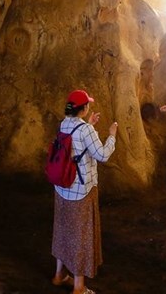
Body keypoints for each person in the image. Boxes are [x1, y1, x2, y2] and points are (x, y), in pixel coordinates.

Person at [51, 89, 118, 294]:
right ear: (84, 108)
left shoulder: (64, 123)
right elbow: (102, 155)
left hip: (62, 188)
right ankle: (79, 287)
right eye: (87, 104)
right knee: (81, 235)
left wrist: (89, 124)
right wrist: (112, 136)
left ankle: (59, 275)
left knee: (63, 230)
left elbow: (76, 139)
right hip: (81, 190)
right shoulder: (85, 130)